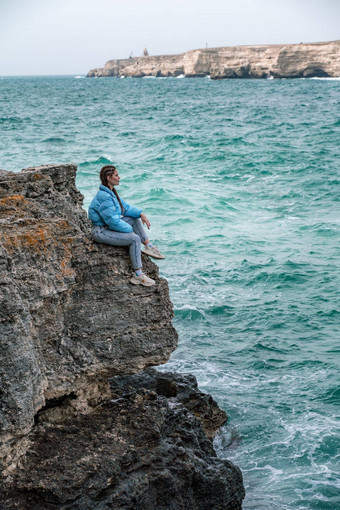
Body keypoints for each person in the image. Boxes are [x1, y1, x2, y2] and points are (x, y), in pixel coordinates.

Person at [88, 165, 165, 287]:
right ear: (109, 178)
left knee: (134, 219)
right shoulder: (104, 196)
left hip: (107, 228)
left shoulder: (111, 192)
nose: (119, 177)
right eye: (116, 175)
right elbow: (112, 221)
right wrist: (130, 232)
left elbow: (126, 208)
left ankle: (149, 246)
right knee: (134, 239)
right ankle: (138, 275)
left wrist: (141, 214)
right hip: (100, 232)